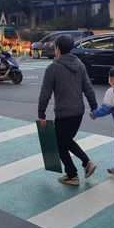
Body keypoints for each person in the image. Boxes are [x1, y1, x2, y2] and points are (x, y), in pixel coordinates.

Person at [38, 35, 98, 186]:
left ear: (57, 48)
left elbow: (45, 93)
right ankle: (83, 165)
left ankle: (74, 173)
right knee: (65, 141)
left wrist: (41, 113)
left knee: (60, 144)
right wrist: (94, 107)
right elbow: (88, 88)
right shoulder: (79, 64)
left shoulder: (53, 68)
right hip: (78, 112)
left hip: (64, 113)